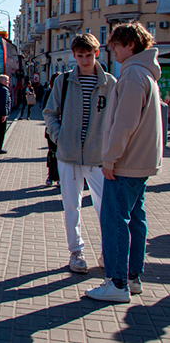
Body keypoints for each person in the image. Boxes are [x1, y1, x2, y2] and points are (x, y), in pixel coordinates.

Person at [85, 23, 162, 303]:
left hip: (125, 162)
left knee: (115, 221)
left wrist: (109, 159)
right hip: (141, 161)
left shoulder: (131, 75)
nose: (112, 51)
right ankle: (132, 278)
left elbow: (124, 125)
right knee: (135, 220)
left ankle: (116, 284)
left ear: (130, 44)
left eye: (115, 45)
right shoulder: (147, 73)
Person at [43, 34, 116, 274]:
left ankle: (108, 252)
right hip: (69, 154)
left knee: (105, 208)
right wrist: (59, 137)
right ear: (73, 55)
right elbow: (50, 112)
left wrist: (111, 148)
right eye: (80, 56)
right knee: (71, 206)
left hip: (99, 157)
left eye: (89, 55)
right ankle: (76, 252)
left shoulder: (110, 83)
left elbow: (117, 118)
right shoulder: (63, 82)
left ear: (97, 53)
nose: (84, 60)